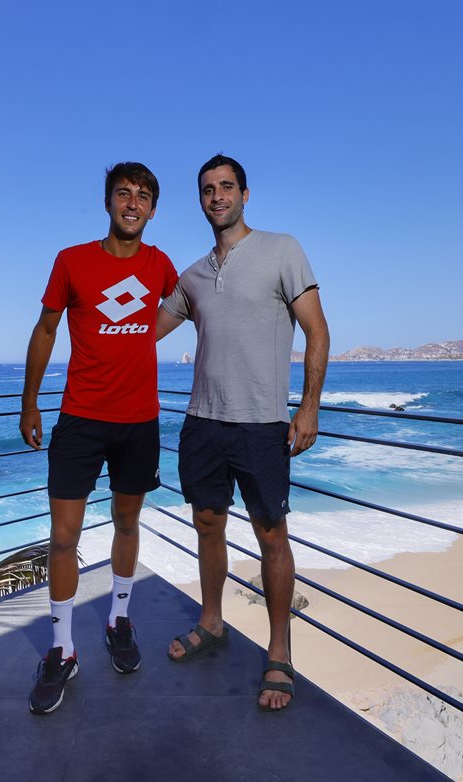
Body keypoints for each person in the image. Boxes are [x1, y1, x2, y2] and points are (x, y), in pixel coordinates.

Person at [156, 154, 329, 711]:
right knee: (207, 525)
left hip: (261, 423)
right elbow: (144, 331)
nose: (218, 196)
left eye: (227, 186)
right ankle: (212, 622)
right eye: (208, 189)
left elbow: (318, 331)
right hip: (202, 422)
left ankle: (279, 652)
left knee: (271, 535)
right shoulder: (193, 276)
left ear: (245, 194)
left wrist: (308, 408)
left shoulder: (282, 250)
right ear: (200, 200)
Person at [20, 162, 178, 715]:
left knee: (128, 523)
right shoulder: (72, 260)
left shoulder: (161, 265)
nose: (132, 203)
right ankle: (62, 649)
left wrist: (147, 338)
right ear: (107, 202)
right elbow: (46, 329)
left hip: (139, 421)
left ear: (153, 209)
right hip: (80, 419)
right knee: (64, 536)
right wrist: (29, 402)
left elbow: (193, 307)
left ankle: (119, 620)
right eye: (123, 193)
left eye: (143, 196)